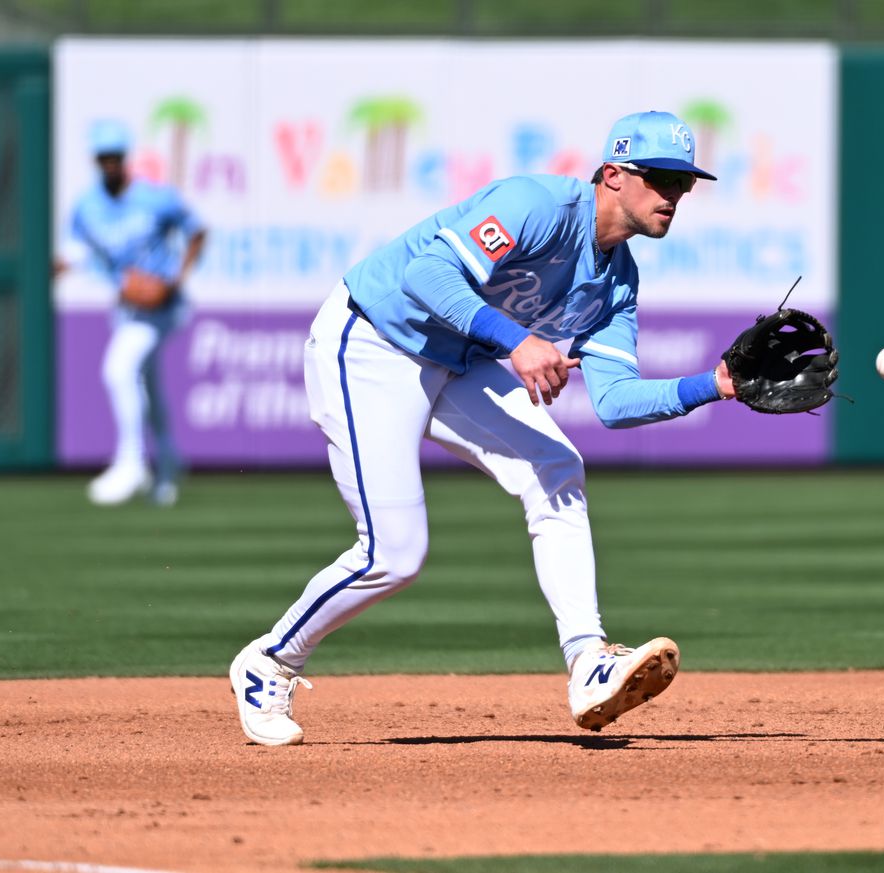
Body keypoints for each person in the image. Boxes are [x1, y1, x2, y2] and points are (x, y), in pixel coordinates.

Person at [231, 110, 738, 745]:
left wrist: (714, 387)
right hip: (372, 341)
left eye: (684, 184)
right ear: (613, 175)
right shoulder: (539, 205)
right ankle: (270, 661)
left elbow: (614, 402)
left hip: (458, 362)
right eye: (661, 178)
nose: (674, 195)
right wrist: (519, 341)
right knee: (394, 554)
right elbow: (425, 276)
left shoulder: (617, 281)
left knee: (557, 469)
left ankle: (589, 663)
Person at [57, 119, 207, 507]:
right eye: (103, 156)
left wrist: (175, 279)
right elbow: (75, 251)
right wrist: (59, 267)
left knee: (118, 369)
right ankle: (170, 462)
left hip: (164, 307)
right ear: (96, 159)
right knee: (147, 384)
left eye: (115, 156)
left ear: (125, 158)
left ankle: (131, 462)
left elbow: (196, 231)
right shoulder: (87, 206)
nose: (109, 162)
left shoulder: (155, 198)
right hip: (127, 308)